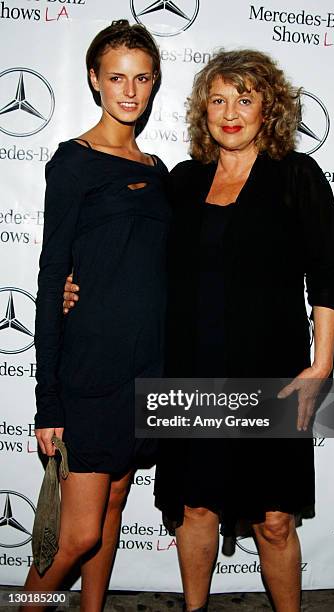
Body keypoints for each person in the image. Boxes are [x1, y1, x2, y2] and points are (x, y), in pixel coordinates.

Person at [64, 50, 334, 612]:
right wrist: (78, 280)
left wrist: (322, 364)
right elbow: (133, 244)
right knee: (195, 508)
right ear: (203, 111)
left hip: (272, 375)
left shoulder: (297, 175)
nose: (231, 113)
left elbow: (326, 276)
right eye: (219, 100)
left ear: (269, 109)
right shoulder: (184, 182)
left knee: (273, 519)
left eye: (245, 99)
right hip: (190, 369)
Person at [24, 20, 170, 612]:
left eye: (141, 78)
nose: (129, 91)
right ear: (94, 80)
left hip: (150, 367)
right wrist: (48, 398)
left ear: (154, 82)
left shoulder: (161, 170)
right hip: (92, 367)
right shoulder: (74, 162)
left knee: (114, 508)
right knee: (79, 533)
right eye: (117, 78)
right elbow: (50, 273)